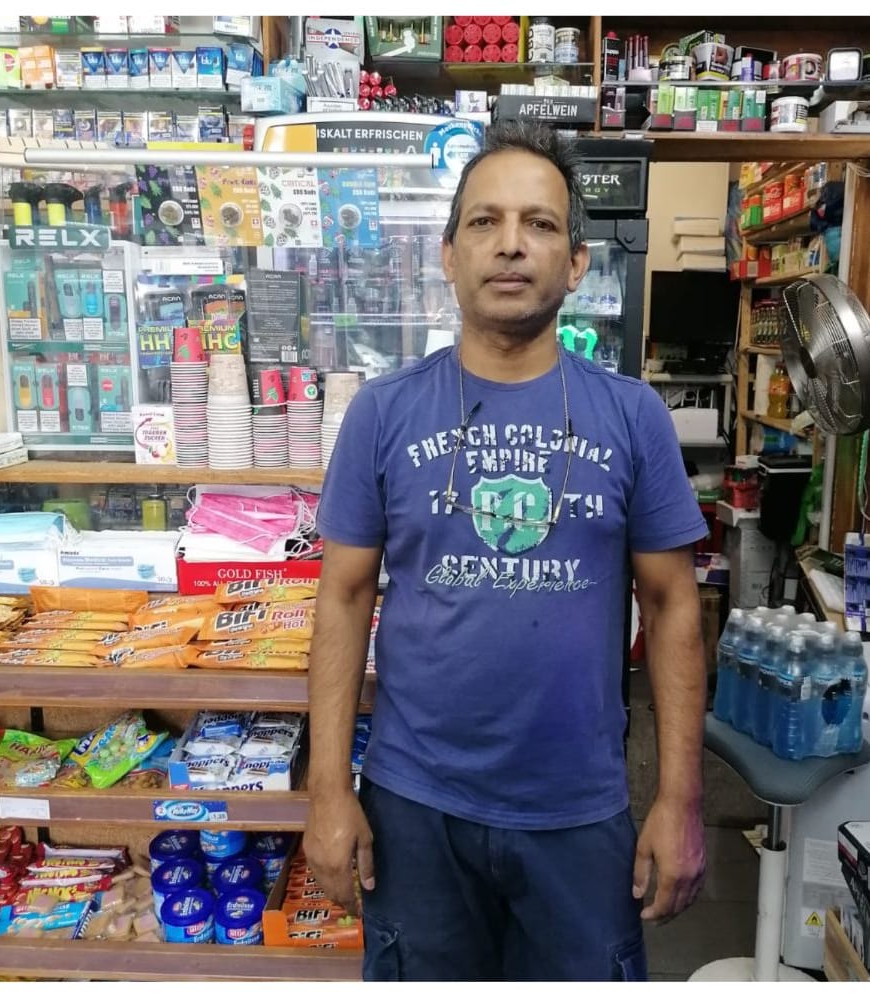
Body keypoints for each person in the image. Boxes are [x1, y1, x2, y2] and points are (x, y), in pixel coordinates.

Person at [304, 120, 709, 981]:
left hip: (576, 810)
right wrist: (330, 789)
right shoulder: (384, 413)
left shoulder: (633, 417)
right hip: (416, 805)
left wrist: (680, 798)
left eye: (541, 223)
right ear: (449, 256)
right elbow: (340, 599)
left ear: (576, 264)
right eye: (484, 222)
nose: (511, 245)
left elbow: (674, 606)